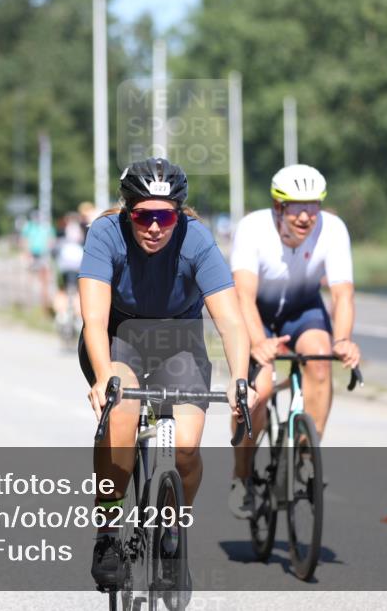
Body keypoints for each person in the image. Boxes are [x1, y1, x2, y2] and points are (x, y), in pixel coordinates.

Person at [79, 157, 255, 589]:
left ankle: (174, 528)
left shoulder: (197, 240)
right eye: (143, 215)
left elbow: (231, 322)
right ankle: (106, 533)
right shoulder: (104, 234)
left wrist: (239, 379)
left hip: (179, 343)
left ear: (179, 214)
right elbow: (95, 321)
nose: (154, 227)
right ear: (127, 211)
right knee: (120, 415)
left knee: (187, 448)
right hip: (120, 337)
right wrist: (104, 377)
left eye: (165, 216)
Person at [226, 164, 361, 519]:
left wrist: (344, 339)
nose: (305, 216)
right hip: (256, 311)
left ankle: (304, 456)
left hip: (303, 309)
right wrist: (258, 344)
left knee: (319, 358)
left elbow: (343, 296)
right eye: (296, 207)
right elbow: (242, 296)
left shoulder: (333, 230)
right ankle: (242, 475)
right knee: (260, 391)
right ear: (277, 206)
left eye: (313, 206)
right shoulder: (253, 228)